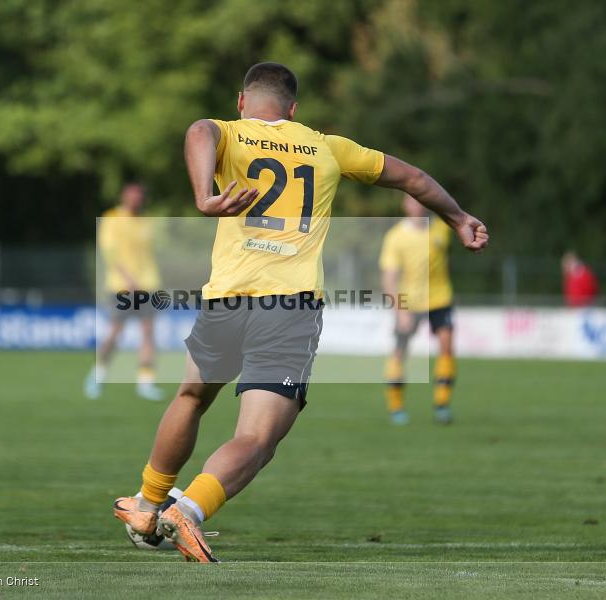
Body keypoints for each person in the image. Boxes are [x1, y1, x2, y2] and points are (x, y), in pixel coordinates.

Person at [113, 62, 488, 562]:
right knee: (257, 437)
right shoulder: (327, 145)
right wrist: (459, 218)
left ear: (242, 102)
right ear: (294, 109)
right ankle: (190, 509)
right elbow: (413, 178)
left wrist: (205, 197)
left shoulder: (230, 132)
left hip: (226, 298)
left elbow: (199, 129)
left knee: (191, 397)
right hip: (287, 307)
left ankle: (148, 501)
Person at [380, 194, 457, 426]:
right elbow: (389, 278)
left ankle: (442, 404)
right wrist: (399, 310)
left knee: (446, 345)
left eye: (422, 200)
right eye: (413, 200)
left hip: (440, 298)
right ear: (405, 204)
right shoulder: (395, 237)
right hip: (409, 302)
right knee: (400, 352)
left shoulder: (442, 228)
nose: (417, 205)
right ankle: (396, 408)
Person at [84, 182, 164, 401]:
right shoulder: (112, 219)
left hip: (148, 285)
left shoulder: (147, 221)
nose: (136, 200)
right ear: (123, 197)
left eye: (139, 196)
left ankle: (146, 382)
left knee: (148, 333)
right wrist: (128, 278)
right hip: (122, 285)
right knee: (115, 332)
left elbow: (152, 253)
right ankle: (97, 375)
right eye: (132, 196)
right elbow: (109, 253)